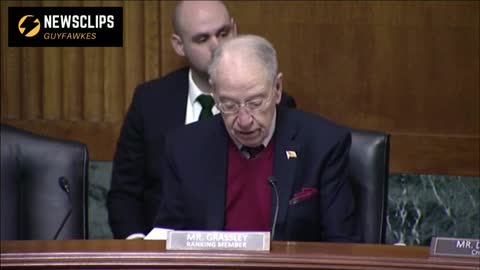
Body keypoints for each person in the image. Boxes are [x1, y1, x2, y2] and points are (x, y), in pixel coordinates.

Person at [107, 1, 296, 239]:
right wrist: (139, 249)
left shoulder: (274, 104)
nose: (217, 46)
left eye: (223, 33)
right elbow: (124, 193)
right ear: (179, 45)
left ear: (235, 31)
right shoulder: (150, 101)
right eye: (202, 39)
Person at [154, 34, 359, 242]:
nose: (244, 120)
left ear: (277, 89)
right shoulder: (185, 148)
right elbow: (169, 240)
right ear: (214, 94)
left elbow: (342, 245)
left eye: (255, 103)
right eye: (229, 105)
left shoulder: (323, 144)